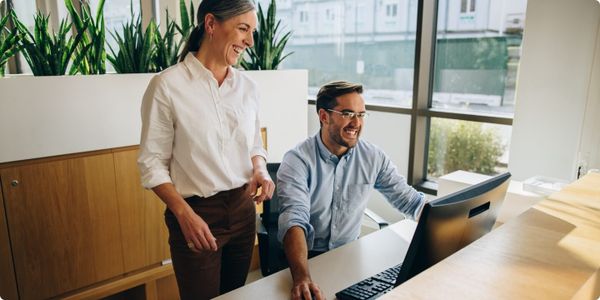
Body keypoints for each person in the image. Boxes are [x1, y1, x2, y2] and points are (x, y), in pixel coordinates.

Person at [137, 0, 274, 299]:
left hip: (242, 210)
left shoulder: (248, 88)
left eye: (252, 31)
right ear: (211, 24)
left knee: (234, 295)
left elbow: (253, 143)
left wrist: (260, 169)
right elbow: (152, 163)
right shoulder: (166, 86)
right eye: (243, 29)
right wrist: (184, 215)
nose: (250, 41)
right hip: (196, 213)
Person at [277, 81, 426, 300]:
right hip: (308, 260)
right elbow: (294, 219)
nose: (356, 123)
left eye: (361, 115)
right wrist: (302, 277)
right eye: (347, 113)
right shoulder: (297, 160)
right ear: (324, 116)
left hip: (351, 255)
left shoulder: (372, 157)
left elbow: (410, 202)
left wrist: (448, 226)